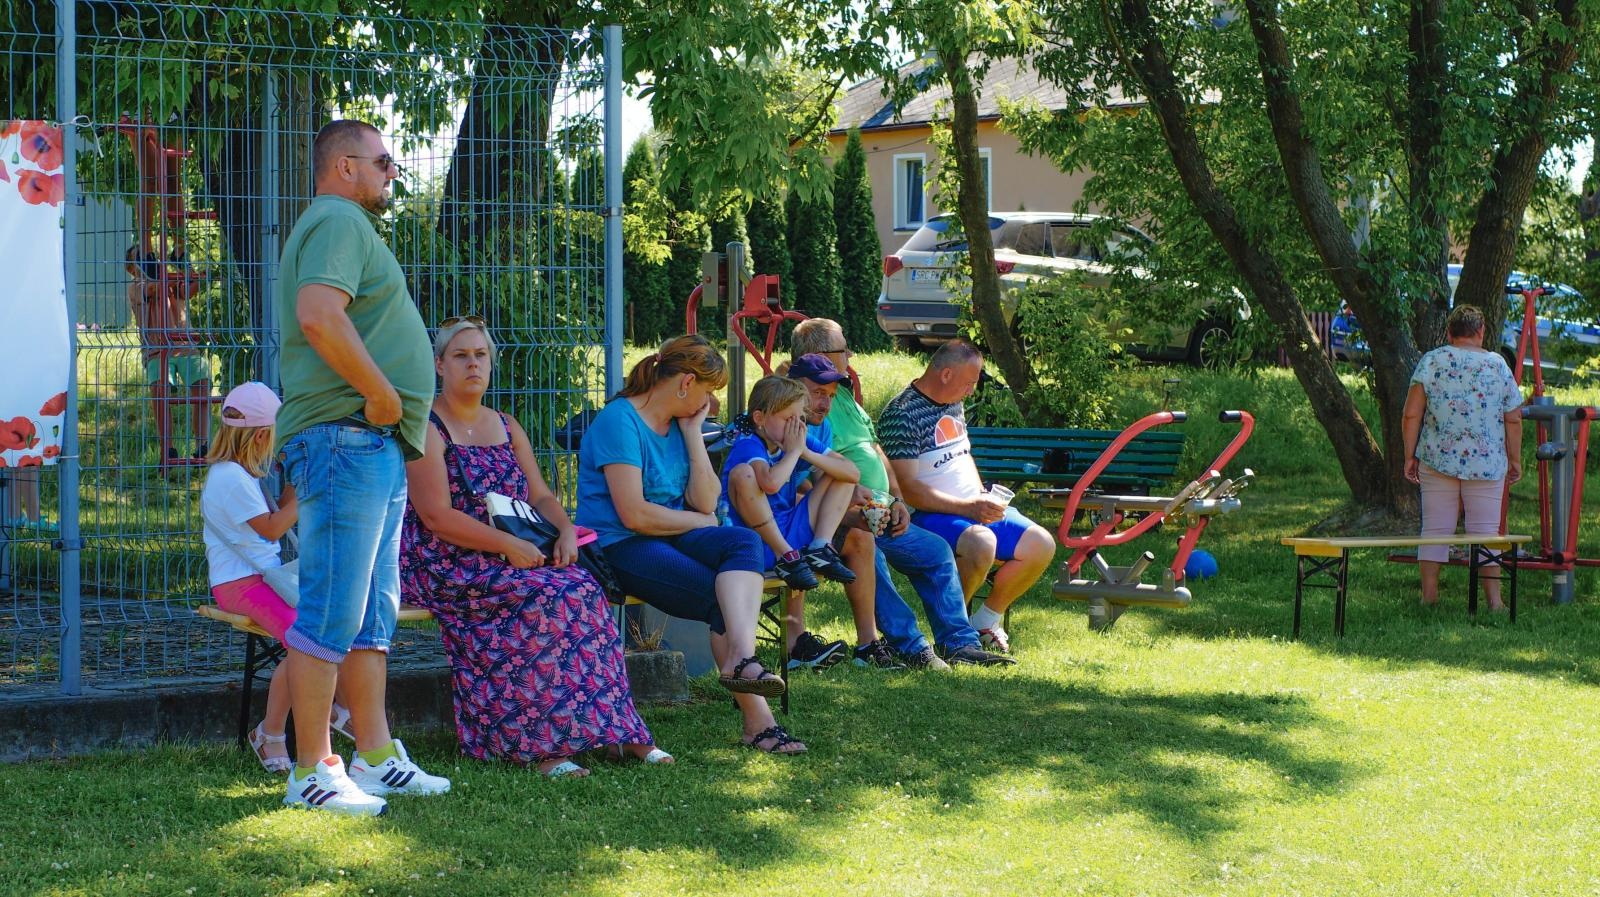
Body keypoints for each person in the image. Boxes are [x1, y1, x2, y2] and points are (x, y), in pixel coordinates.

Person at [273, 119, 450, 816]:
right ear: (344, 167)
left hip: (369, 445)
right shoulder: (339, 221)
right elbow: (319, 314)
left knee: (371, 615)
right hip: (346, 437)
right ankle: (312, 770)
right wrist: (381, 392)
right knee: (331, 609)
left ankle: (375, 757)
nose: (392, 171)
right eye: (382, 160)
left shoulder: (345, 225)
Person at [401, 318, 667, 777]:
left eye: (480, 355)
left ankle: (617, 733)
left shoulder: (506, 425)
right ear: (439, 365)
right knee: (545, 598)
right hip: (447, 558)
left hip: (512, 553)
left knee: (582, 587)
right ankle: (539, 747)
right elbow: (436, 517)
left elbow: (540, 496)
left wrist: (564, 528)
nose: (472, 364)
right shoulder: (427, 428)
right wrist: (507, 546)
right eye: (461, 356)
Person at [578, 334, 806, 755]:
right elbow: (635, 514)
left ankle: (741, 659)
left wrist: (692, 433)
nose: (711, 401)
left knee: (742, 542)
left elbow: (705, 499)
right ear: (686, 383)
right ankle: (759, 721)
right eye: (708, 391)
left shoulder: (680, 425)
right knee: (719, 596)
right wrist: (700, 520)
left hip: (670, 533)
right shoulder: (619, 421)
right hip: (619, 544)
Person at [790, 320, 1012, 668]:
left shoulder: (839, 394)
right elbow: (801, 482)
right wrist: (849, 513)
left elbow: (875, 449)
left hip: (881, 509)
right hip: (842, 519)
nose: (850, 354)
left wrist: (896, 499)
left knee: (936, 551)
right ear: (820, 356)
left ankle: (959, 642)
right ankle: (911, 646)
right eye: (842, 349)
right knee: (868, 551)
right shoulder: (801, 406)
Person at [200, 381, 353, 774]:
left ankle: (334, 709)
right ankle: (271, 734)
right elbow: (271, 529)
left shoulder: (239, 474)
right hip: (241, 585)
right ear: (262, 435)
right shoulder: (230, 479)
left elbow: (277, 514)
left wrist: (292, 476)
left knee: (321, 630)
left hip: (261, 580)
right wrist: (310, 488)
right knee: (306, 643)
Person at [877, 339, 1057, 654]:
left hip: (972, 505)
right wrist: (968, 507)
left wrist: (980, 496)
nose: (972, 390)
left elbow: (961, 455)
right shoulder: (902, 413)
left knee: (1041, 544)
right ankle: (953, 634)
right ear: (946, 374)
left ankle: (985, 619)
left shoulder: (953, 401)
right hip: (927, 515)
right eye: (969, 382)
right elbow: (907, 488)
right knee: (981, 543)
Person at [721, 368, 860, 668]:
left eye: (799, 419)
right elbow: (769, 482)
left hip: (791, 531)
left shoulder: (793, 439)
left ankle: (820, 546)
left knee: (840, 477)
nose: (796, 426)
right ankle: (789, 556)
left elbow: (852, 472)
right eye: (788, 419)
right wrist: (795, 453)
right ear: (760, 418)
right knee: (745, 475)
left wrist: (804, 452)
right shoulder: (749, 444)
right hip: (757, 541)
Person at [1402, 304, 1524, 609]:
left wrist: (1409, 456)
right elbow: (1513, 419)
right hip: (1486, 463)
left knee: (1434, 530)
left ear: (1449, 332)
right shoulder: (1498, 366)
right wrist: (1515, 459)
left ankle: (1429, 598)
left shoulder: (1432, 361)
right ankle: (1495, 602)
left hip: (1437, 458)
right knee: (1486, 533)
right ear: (1481, 331)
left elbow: (1411, 414)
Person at [126, 246, 211, 463]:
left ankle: (203, 444)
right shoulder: (137, 287)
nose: (150, 260)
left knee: (201, 386)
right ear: (131, 268)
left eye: (150, 255)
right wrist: (178, 276)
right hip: (157, 350)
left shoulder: (170, 281)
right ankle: (168, 447)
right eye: (142, 258)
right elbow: (154, 290)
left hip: (185, 345)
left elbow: (190, 289)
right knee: (161, 392)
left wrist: (195, 273)